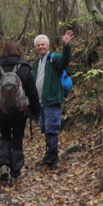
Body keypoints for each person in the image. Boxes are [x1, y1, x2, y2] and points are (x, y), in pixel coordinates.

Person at [0, 41, 41, 184]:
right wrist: (36, 112)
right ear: (18, 51)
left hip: (2, 111)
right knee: (17, 140)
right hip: (20, 111)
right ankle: (15, 174)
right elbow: (32, 92)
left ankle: (4, 164)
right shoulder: (24, 67)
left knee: (4, 137)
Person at [32, 29, 74, 168]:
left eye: (43, 44)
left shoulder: (53, 58)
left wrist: (66, 46)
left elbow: (65, 60)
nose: (41, 47)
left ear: (48, 46)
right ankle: (49, 154)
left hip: (52, 100)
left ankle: (53, 158)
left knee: (52, 129)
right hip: (40, 102)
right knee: (45, 128)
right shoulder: (37, 63)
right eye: (38, 45)